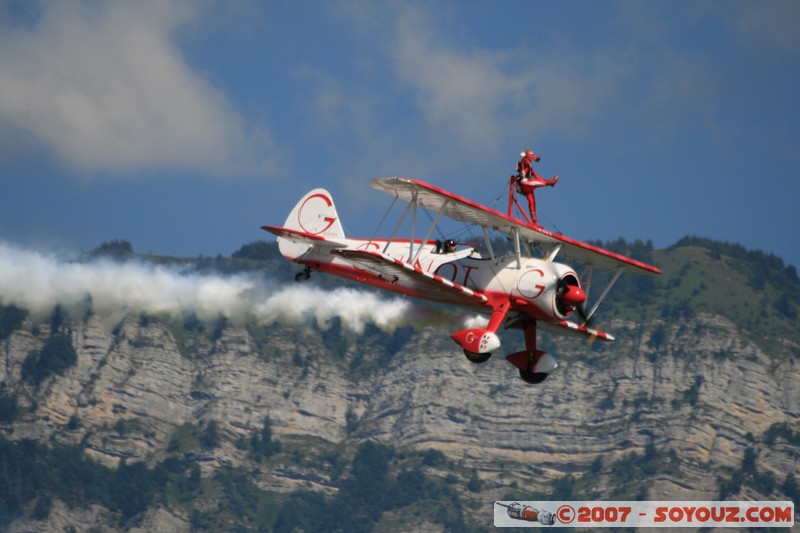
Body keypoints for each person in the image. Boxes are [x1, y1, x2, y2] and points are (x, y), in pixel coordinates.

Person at [515, 149, 558, 224]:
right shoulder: (524, 160)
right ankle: (551, 182)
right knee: (536, 184)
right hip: (524, 183)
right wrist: (535, 158)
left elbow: (537, 177)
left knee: (532, 201)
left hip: (527, 186)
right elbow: (527, 157)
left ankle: (534, 220)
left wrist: (544, 181)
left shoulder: (530, 168)